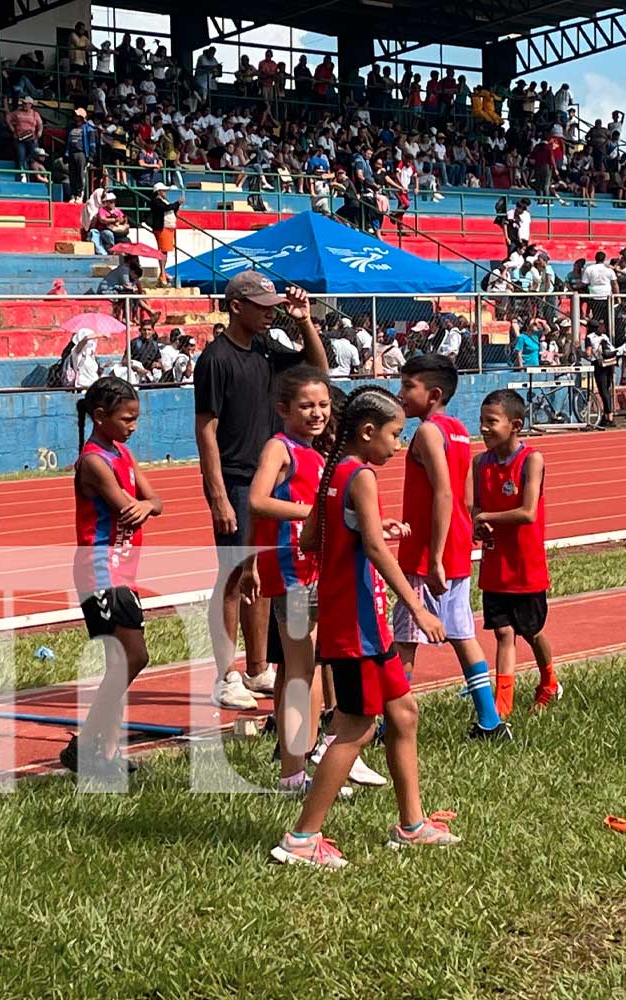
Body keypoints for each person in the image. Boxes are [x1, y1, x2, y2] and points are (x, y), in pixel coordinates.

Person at [269, 386, 457, 869]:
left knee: (405, 714)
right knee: (355, 729)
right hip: (358, 625)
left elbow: (311, 535)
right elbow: (372, 550)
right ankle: (302, 839)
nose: (399, 444)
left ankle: (411, 825)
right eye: (395, 435)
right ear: (368, 432)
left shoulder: (338, 471)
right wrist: (417, 607)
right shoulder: (362, 477)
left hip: (356, 617)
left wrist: (361, 530)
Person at [194, 273, 328, 711]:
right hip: (235, 478)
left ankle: (256, 667)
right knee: (233, 575)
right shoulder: (216, 358)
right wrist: (216, 492)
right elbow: (206, 428)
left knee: (262, 577)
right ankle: (223, 674)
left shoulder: (269, 351)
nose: (271, 310)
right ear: (236, 306)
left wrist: (304, 321)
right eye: (262, 304)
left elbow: (318, 370)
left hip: (271, 479)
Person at [242, 367, 376, 794]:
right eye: (306, 406)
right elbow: (257, 502)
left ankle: (304, 760)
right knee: (303, 673)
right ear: (284, 409)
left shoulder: (317, 454)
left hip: (320, 573)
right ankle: (295, 771)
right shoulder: (280, 449)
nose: (317, 413)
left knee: (311, 670)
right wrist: (311, 516)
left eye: (323, 405)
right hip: (295, 577)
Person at [50, 376, 163, 781]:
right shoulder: (95, 461)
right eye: (126, 418)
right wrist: (142, 505)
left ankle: (107, 751)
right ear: (100, 417)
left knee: (120, 660)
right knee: (134, 656)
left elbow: (155, 502)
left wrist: (147, 504)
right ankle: (83, 745)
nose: (133, 426)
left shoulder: (123, 454)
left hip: (121, 569)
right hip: (100, 568)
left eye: (136, 418)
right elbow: (125, 504)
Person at [394, 355, 509, 740]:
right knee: (462, 633)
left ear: (434, 394)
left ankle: (392, 723)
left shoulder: (428, 432)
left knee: (406, 637)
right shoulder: (458, 429)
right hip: (455, 547)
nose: (401, 393)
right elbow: (463, 489)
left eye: (409, 386)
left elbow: (444, 491)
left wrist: (436, 556)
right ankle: (490, 720)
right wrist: (472, 523)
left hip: (428, 553)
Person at [473, 389, 556, 716]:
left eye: (491, 422)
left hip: (525, 565)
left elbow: (528, 512)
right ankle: (501, 707)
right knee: (503, 632)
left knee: (531, 631)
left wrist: (487, 517)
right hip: (495, 564)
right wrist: (477, 525)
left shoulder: (531, 460)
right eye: (481, 421)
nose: (483, 428)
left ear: (515, 425)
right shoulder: (480, 463)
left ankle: (549, 680)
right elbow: (477, 506)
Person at [148, 182, 182, 260]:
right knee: (162, 250)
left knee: (165, 250)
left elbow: (170, 209)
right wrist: (177, 203)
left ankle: (163, 270)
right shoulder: (156, 201)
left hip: (167, 227)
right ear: (158, 191)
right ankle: (162, 270)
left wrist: (176, 205)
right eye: (163, 191)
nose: (165, 192)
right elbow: (165, 208)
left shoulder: (163, 200)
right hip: (162, 227)